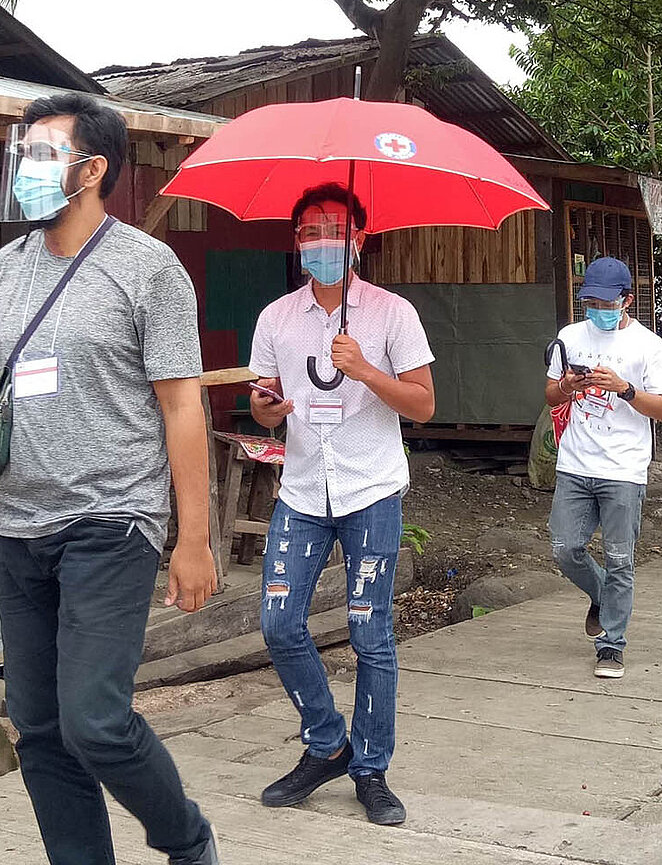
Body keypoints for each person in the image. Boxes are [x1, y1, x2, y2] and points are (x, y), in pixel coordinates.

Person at [0, 94, 219, 864]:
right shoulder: (5, 269)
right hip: (14, 528)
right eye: (21, 152)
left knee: (94, 719)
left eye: (41, 153)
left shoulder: (147, 268)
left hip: (111, 519)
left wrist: (191, 540)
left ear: (91, 170)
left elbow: (183, 407)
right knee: (40, 729)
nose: (22, 166)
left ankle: (186, 839)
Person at [248, 183, 435, 826]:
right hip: (301, 490)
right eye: (311, 231)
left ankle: (371, 768)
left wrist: (367, 372)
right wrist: (266, 409)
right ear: (297, 241)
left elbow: (424, 404)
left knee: (369, 633)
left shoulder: (392, 314)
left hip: (371, 489)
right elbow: (262, 399)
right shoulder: (276, 317)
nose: (322, 241)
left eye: (335, 229)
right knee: (278, 623)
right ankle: (327, 741)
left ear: (360, 237)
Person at [547, 257, 662, 680]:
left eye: (606, 302)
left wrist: (624, 388)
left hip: (624, 468)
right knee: (565, 547)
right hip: (575, 462)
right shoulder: (570, 336)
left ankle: (611, 645)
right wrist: (569, 385)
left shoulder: (648, 346)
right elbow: (550, 395)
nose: (597, 309)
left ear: (627, 302)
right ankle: (602, 596)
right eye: (590, 302)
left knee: (620, 557)